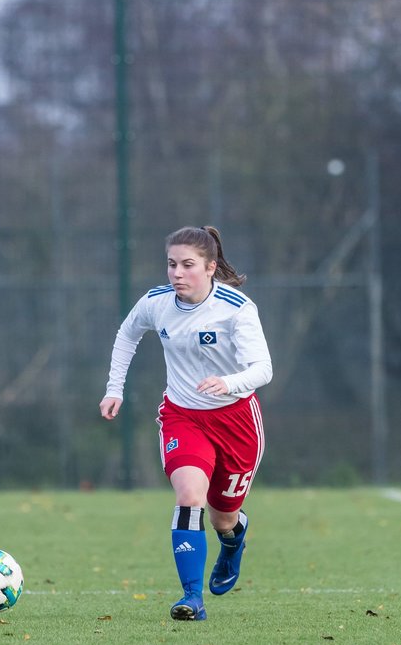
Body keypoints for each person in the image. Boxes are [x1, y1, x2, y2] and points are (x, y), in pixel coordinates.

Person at [100, 226, 272, 621]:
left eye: (187, 265)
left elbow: (263, 368)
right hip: (183, 417)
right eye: (171, 264)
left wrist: (227, 383)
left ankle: (233, 543)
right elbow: (127, 335)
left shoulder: (236, 308)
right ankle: (191, 598)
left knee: (223, 517)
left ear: (211, 267)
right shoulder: (156, 303)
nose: (177, 273)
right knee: (189, 496)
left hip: (236, 422)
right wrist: (115, 388)